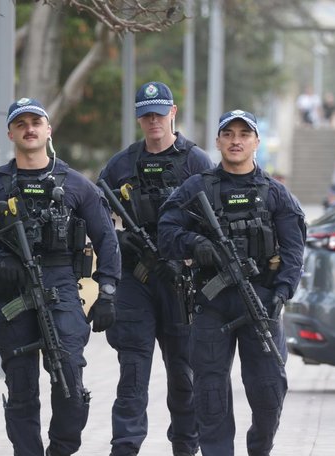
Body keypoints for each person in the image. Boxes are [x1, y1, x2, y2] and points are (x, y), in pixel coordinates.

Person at [0, 97, 121, 456]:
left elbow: (107, 240)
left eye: (35, 123)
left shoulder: (76, 185)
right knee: (22, 390)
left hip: (61, 288)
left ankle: (61, 449)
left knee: (70, 385)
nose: (29, 129)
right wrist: (0, 260)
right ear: (10, 134)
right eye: (21, 124)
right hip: (12, 292)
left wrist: (107, 292)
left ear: (48, 130)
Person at [157, 109, 306, 456]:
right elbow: (166, 232)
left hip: (262, 302)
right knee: (210, 394)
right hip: (212, 303)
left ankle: (260, 449)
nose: (235, 141)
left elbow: (294, 250)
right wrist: (196, 244)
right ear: (218, 141)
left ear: (256, 141)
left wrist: (282, 292)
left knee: (269, 392)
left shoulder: (275, 193)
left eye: (243, 134)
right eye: (228, 134)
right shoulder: (197, 188)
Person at [98, 81, 212, 456]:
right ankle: (125, 447)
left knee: (183, 372)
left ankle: (186, 446)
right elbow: (94, 217)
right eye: (146, 115)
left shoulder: (197, 163)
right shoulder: (121, 164)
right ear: (138, 119)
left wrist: (189, 252)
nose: (153, 121)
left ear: (172, 113)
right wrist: (118, 240)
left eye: (159, 114)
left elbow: (216, 222)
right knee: (132, 371)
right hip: (136, 280)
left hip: (181, 281)